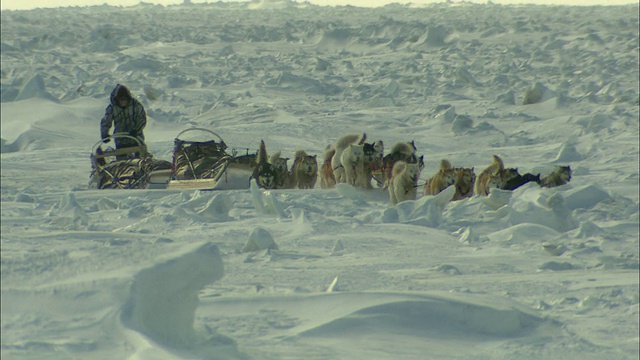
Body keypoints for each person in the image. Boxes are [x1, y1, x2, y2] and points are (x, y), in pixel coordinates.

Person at [100, 84, 147, 157]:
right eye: (121, 99)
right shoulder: (112, 108)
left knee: (141, 160)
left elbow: (141, 118)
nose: (123, 101)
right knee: (122, 163)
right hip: (120, 140)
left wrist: (136, 130)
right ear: (117, 99)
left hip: (136, 139)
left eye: (125, 99)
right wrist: (104, 134)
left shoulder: (136, 106)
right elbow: (106, 121)